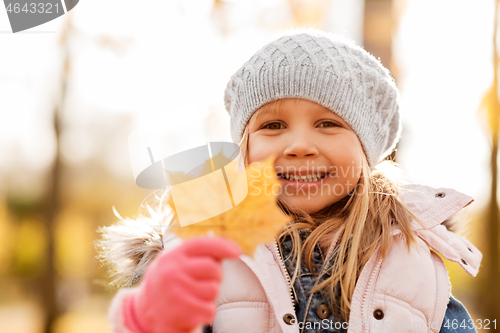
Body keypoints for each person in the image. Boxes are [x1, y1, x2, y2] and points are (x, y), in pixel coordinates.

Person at [98, 28, 483, 333]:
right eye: (273, 125)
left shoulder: (412, 256)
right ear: (243, 150)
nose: (299, 145)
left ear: (367, 151)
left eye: (328, 123)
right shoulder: (198, 250)